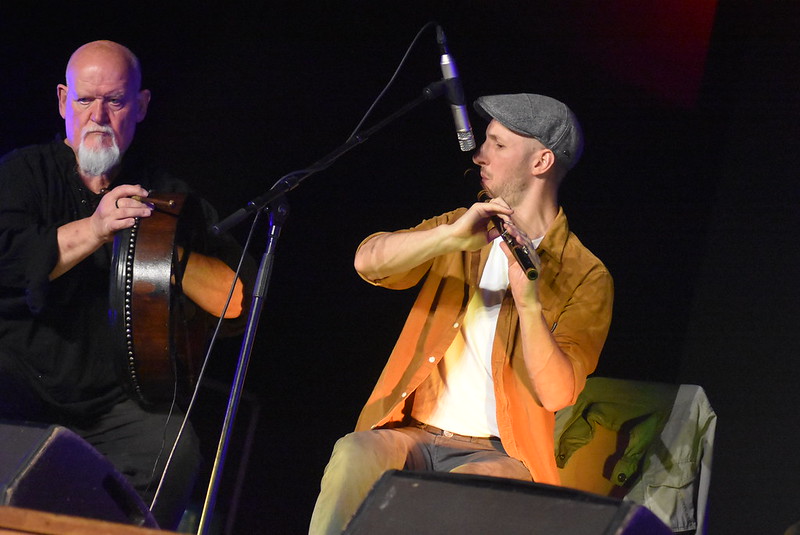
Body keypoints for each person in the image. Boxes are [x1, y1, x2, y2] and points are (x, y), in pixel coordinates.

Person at [308, 93, 614, 534]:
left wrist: (528, 304)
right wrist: (448, 238)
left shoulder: (586, 274)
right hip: (412, 434)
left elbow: (557, 394)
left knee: (464, 492)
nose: (479, 154)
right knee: (355, 451)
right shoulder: (463, 224)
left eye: (497, 144)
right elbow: (367, 261)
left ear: (541, 161)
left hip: (500, 454)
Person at [0, 40, 251, 529]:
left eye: (114, 101)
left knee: (173, 449)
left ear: (140, 106)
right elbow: (8, 262)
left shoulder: (168, 196)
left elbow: (235, 301)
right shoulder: (20, 175)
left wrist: (162, 249)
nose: (98, 115)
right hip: (16, 396)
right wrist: (96, 229)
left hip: (117, 408)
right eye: (84, 100)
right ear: (61, 101)